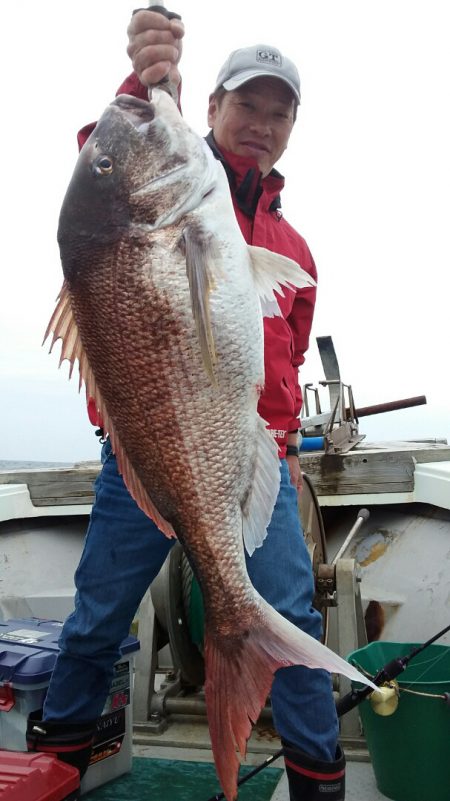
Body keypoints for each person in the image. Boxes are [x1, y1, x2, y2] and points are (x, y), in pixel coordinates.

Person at [27, 9, 345, 801]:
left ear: (292, 128)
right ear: (209, 108)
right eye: (247, 105)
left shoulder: (295, 249)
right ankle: (54, 766)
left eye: (280, 113)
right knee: (98, 615)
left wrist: (281, 433)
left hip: (252, 452)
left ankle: (318, 780)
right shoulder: (153, 200)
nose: (261, 125)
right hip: (142, 455)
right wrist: (145, 74)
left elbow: (287, 356)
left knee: (292, 612)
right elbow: (104, 173)